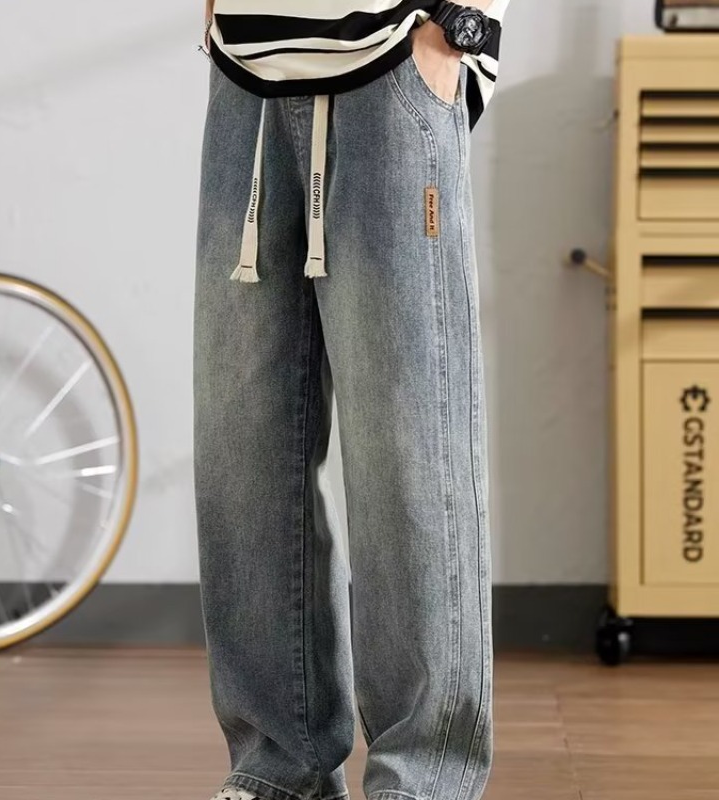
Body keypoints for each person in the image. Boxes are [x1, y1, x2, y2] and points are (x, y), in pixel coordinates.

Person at [193, 2, 510, 800]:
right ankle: (279, 768)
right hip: (247, 69)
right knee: (243, 451)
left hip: (396, 56)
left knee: (409, 446)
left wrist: (463, 25)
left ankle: (424, 778)